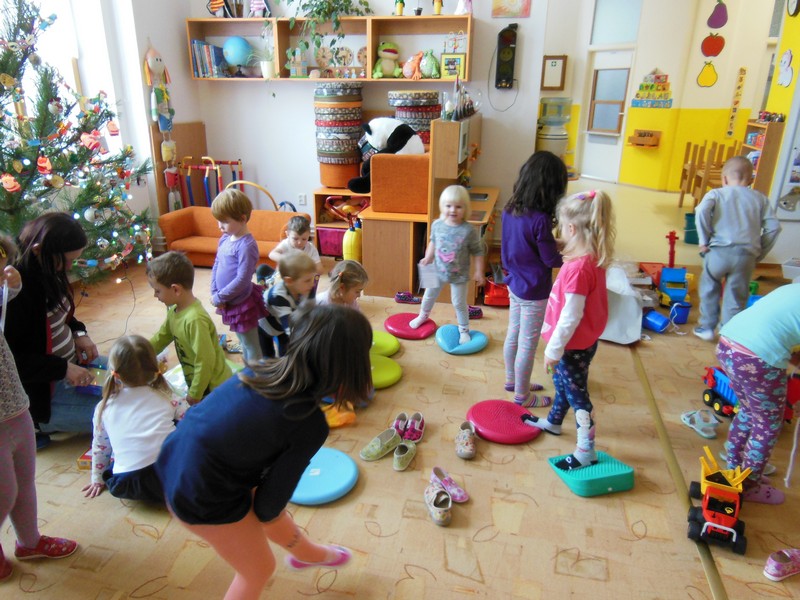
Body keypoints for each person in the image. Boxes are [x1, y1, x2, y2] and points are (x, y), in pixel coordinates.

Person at [155, 304, 373, 600]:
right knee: (258, 569)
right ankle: (308, 554)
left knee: (266, 504)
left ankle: (308, 554)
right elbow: (268, 507)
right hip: (200, 493)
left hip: (173, 460)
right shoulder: (308, 423)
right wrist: (269, 507)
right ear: (352, 367)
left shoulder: (259, 367)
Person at [0, 234, 77, 582]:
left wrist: (12, 286)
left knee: (24, 480)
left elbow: (5, 302)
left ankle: (29, 541)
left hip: (16, 405)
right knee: (5, 492)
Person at [521, 190, 616, 471]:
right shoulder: (590, 257)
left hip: (571, 345)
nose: (559, 233)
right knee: (562, 384)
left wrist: (553, 349)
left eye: (561, 227)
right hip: (581, 341)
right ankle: (554, 421)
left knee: (578, 396)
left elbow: (571, 316)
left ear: (572, 229)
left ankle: (586, 450)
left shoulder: (578, 270)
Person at [5, 213, 101, 447]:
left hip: (71, 365)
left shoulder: (48, 270)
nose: (69, 267)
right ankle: (38, 426)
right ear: (38, 250)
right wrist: (62, 368)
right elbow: (14, 362)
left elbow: (61, 312)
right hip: (43, 392)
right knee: (123, 413)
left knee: (133, 376)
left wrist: (79, 333)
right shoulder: (16, 291)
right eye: (66, 261)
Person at [717, 283, 800, 504]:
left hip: (728, 345)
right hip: (757, 359)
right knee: (768, 425)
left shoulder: (792, 289)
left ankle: (734, 470)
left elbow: (782, 333)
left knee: (747, 411)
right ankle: (749, 486)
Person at [81, 335, 190, 502]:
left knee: (116, 458)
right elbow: (192, 423)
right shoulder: (169, 397)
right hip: (170, 477)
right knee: (180, 424)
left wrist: (97, 479)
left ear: (115, 373)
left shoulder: (103, 408)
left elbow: (100, 447)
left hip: (126, 485)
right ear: (155, 366)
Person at [501, 151, 566, 408]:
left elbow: (520, 244)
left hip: (515, 284)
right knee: (528, 344)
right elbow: (550, 259)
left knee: (513, 334)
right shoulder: (540, 219)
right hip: (535, 291)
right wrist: (571, 259)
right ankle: (522, 395)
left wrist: (555, 244)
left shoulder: (510, 209)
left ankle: (512, 381)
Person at [693, 155, 781, 341]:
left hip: (717, 252)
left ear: (724, 179)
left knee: (709, 287)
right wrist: (760, 251)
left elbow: (701, 211)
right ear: (750, 180)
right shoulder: (761, 199)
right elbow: (774, 228)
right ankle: (728, 333)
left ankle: (706, 327)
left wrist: (704, 240)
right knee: (736, 295)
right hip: (746, 256)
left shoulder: (716, 194)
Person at [147, 251, 231, 405]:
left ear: (176, 289)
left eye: (157, 290)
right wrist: (141, 352)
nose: (155, 295)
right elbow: (161, 337)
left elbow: (205, 360)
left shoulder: (195, 320)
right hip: (199, 383)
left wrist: (195, 393)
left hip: (213, 387)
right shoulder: (174, 311)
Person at [410, 185, 485, 345]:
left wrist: (479, 271)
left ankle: (463, 330)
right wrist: (428, 257)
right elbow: (433, 242)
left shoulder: (468, 230)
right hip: (437, 270)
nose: (453, 210)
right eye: (448, 205)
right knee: (428, 295)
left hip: (459, 275)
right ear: (442, 206)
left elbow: (478, 251)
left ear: (465, 208)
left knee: (458, 303)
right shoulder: (437, 225)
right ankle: (423, 315)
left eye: (458, 206)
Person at [210, 189, 266, 363]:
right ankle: (248, 370)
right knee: (242, 341)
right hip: (228, 300)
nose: (220, 226)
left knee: (250, 344)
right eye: (218, 221)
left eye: (225, 222)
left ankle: (256, 374)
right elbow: (217, 264)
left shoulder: (247, 246)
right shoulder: (225, 238)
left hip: (242, 303)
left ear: (242, 219)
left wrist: (220, 296)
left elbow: (242, 279)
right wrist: (214, 291)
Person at [259, 252, 317, 358]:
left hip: (283, 323)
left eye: (313, 278)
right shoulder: (278, 297)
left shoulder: (307, 288)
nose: (312, 284)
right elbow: (290, 329)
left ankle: (285, 361)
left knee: (286, 352)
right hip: (265, 326)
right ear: (289, 281)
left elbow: (312, 311)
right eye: (307, 280)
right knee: (268, 356)